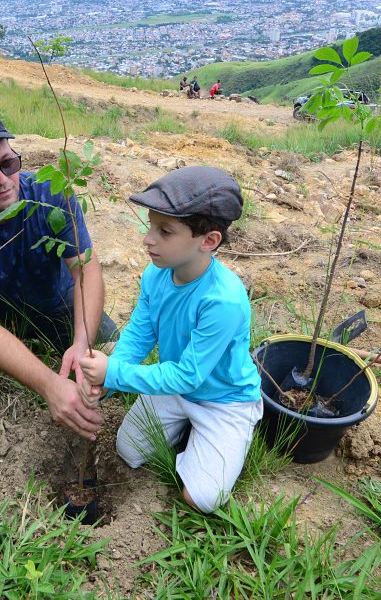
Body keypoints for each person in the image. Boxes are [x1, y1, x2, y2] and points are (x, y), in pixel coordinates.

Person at [0, 109, 118, 440]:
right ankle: (17, 374)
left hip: (58, 304)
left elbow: (85, 269)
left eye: (9, 164)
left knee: (113, 357)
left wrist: (82, 342)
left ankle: (50, 358)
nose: (2, 179)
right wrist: (49, 384)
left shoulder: (51, 194)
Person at [78, 166, 263, 514]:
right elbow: (139, 334)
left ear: (208, 241)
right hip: (174, 387)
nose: (148, 239)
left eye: (164, 231)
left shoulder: (222, 301)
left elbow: (189, 375)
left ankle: (221, 437)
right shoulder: (157, 274)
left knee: (203, 499)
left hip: (223, 399)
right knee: (128, 450)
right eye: (151, 226)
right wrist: (109, 378)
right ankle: (187, 431)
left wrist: (113, 373)